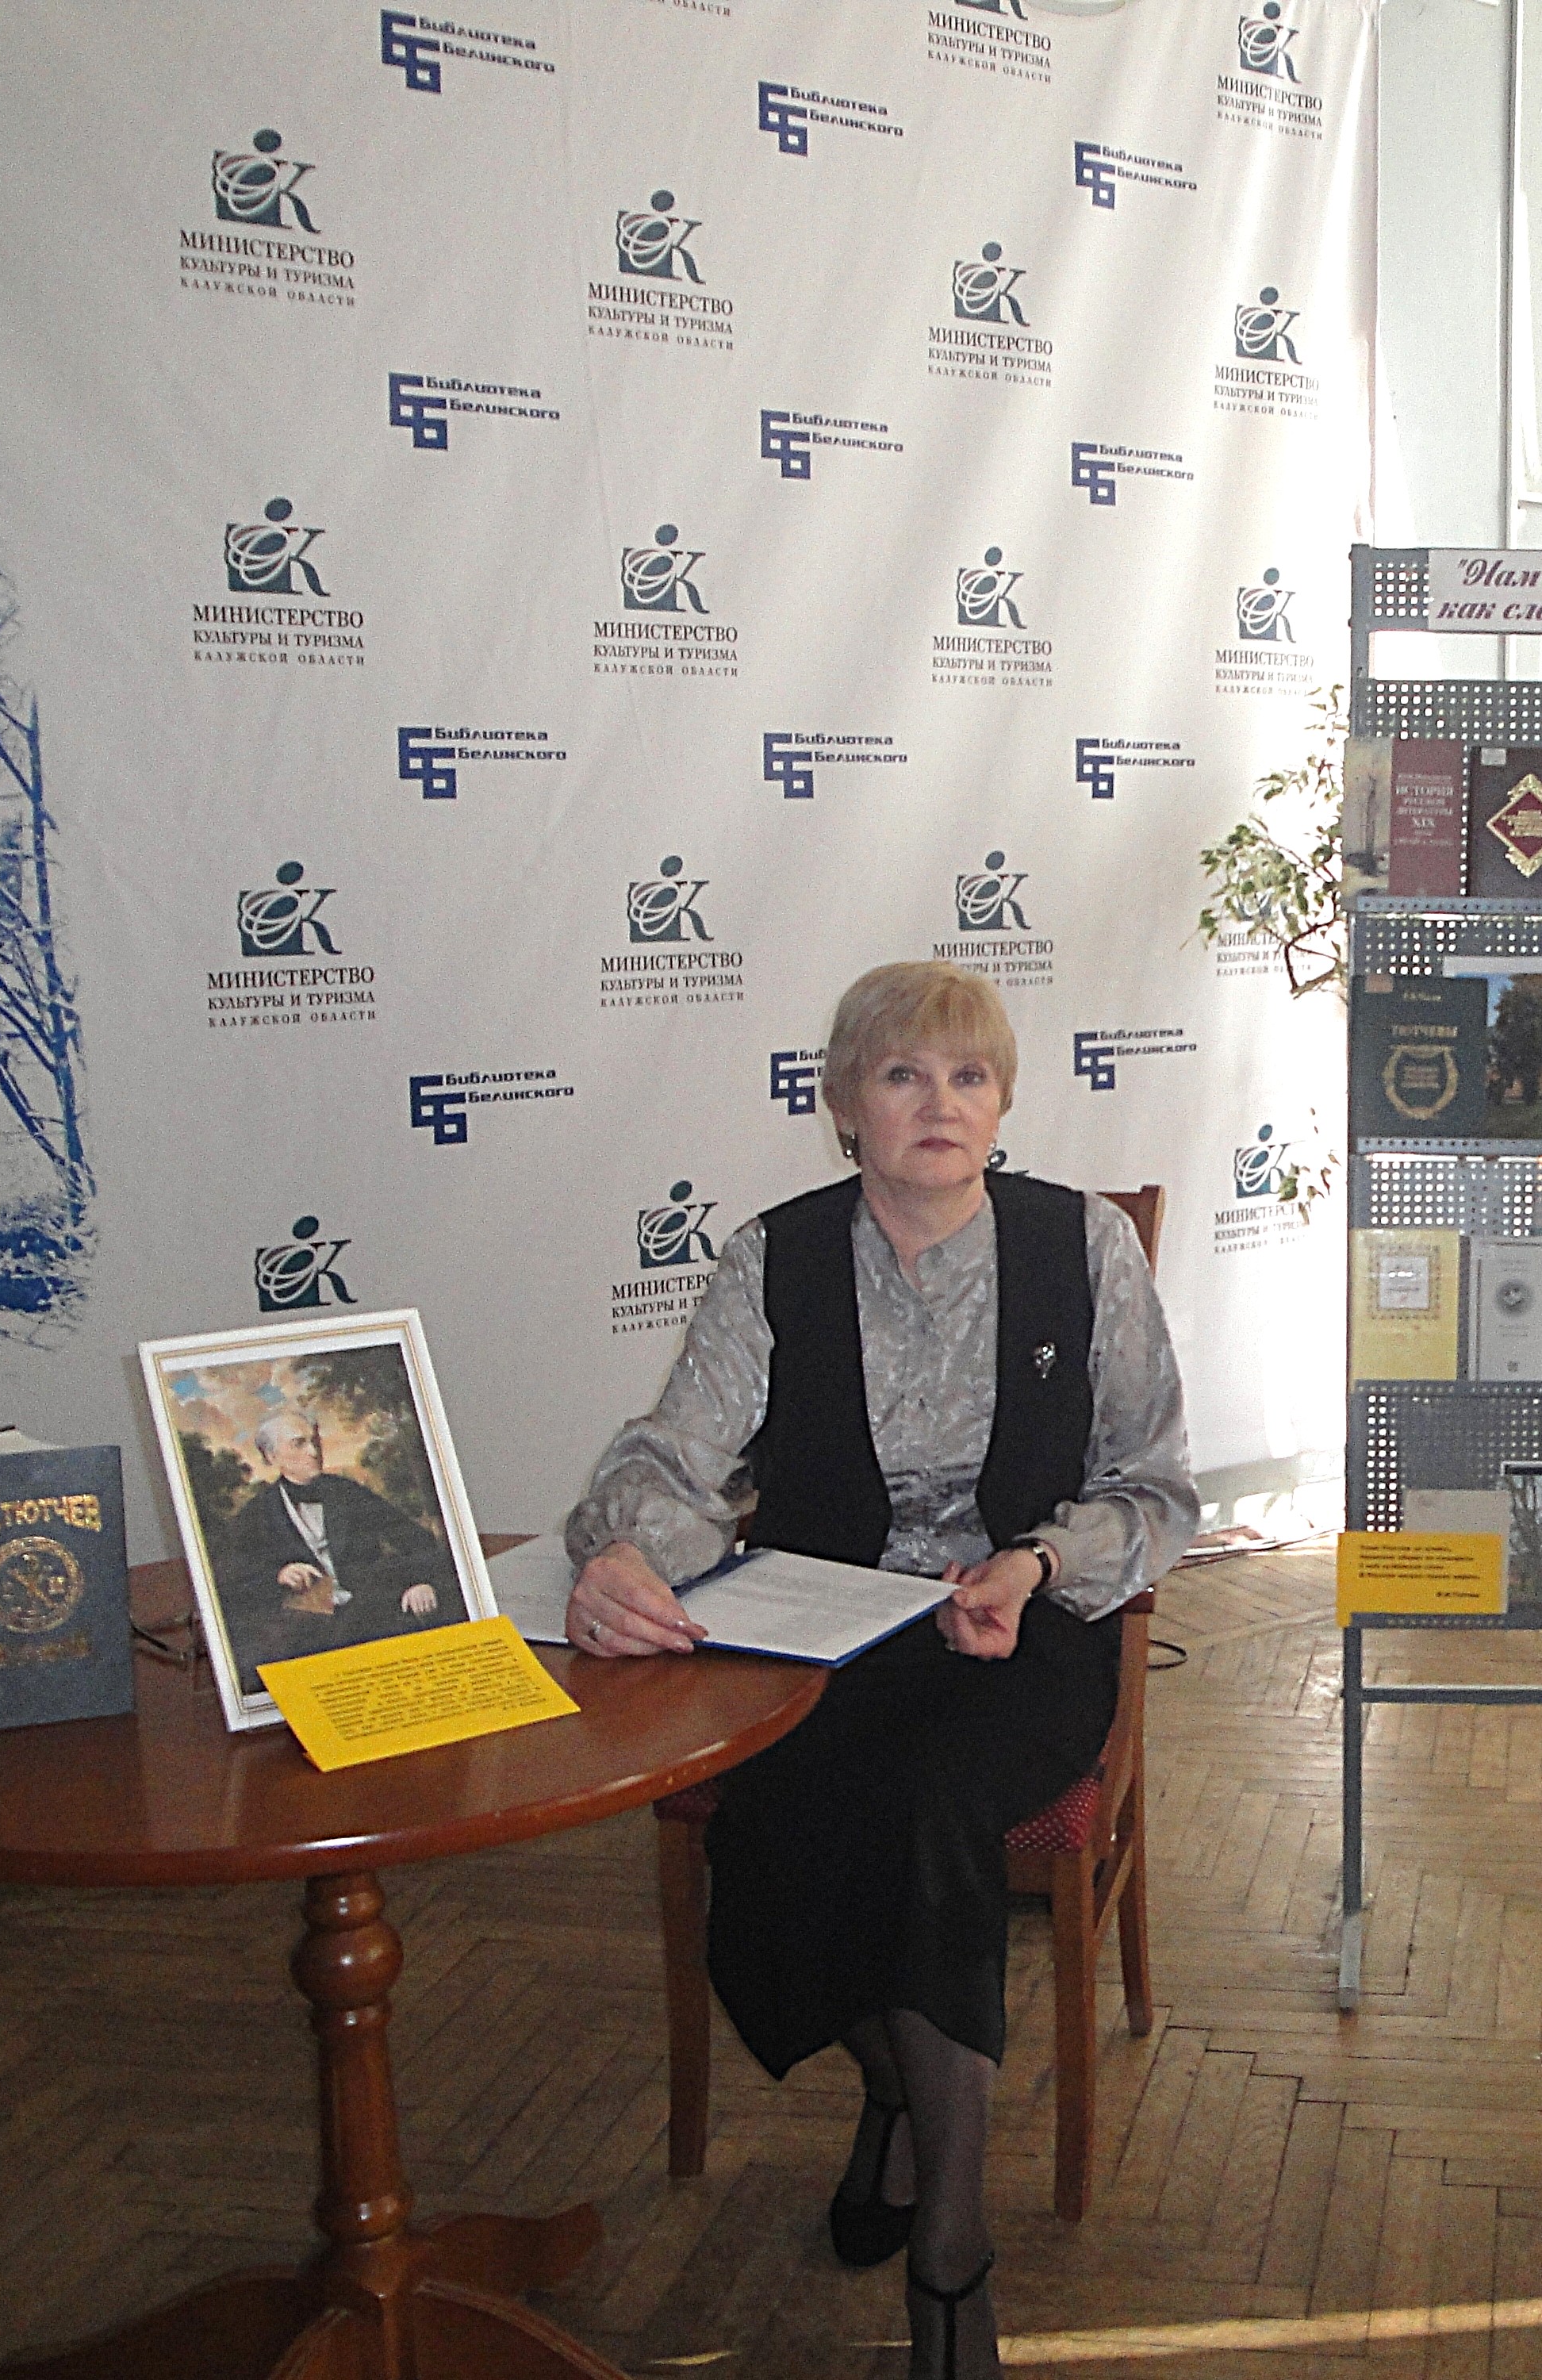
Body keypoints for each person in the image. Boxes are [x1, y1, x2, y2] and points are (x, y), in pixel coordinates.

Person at [562, 961, 1196, 2380]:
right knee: (773, 1830)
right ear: (844, 1105)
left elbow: (1153, 1485)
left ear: (1003, 1103)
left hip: (1019, 1632)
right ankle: (904, 2090)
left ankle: (951, 2253)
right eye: (903, 1076)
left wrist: (1036, 1564)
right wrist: (624, 1557)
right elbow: (673, 1461)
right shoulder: (773, 1259)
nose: (937, 1104)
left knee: (927, 1813)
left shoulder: (1082, 1247)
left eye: (968, 1077)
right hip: (815, 1635)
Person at [217, 1411, 448, 1690]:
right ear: (271, 1456)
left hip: (374, 1614)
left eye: (315, 1441)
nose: (314, 1452)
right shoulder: (256, 1515)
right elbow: (231, 1584)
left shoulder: (348, 1493)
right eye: (299, 1444)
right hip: (308, 1634)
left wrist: (420, 1582)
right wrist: (278, 1576)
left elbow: (418, 1540)